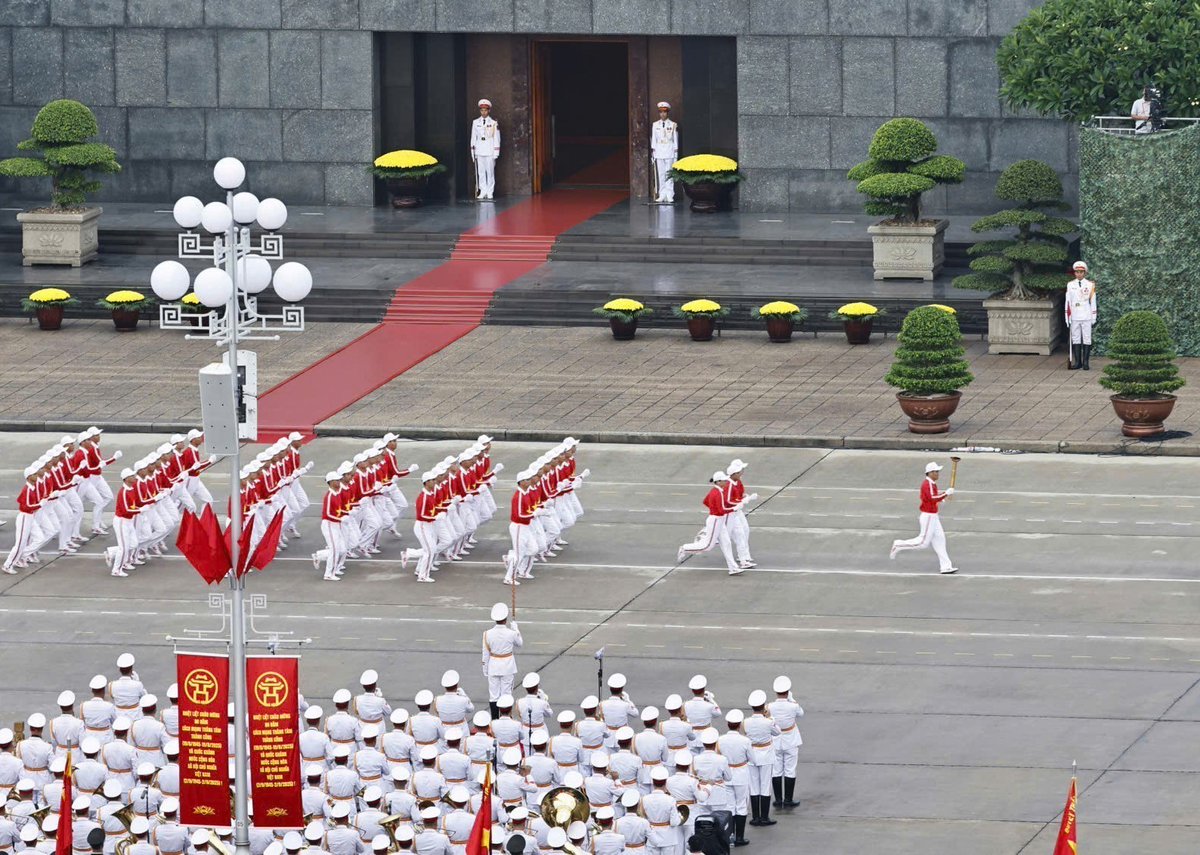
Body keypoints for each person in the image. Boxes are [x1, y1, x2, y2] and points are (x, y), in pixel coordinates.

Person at [889, 461, 957, 574]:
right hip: (929, 516)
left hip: (933, 516)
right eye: (936, 471)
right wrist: (946, 493)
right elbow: (932, 498)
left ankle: (946, 566)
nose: (938, 474)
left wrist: (942, 498)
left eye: (938, 471)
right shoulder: (928, 484)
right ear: (929, 473)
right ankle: (899, 544)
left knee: (940, 539)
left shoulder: (931, 484)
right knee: (923, 543)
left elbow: (931, 498)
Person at [677, 473, 742, 576]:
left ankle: (733, 568)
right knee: (707, 546)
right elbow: (722, 510)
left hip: (718, 519)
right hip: (716, 520)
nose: (726, 482)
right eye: (724, 480)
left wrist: (714, 509)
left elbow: (706, 501)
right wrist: (734, 508)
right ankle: (684, 548)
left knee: (726, 543)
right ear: (719, 482)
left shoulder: (717, 491)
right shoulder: (717, 492)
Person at [1065, 261, 1097, 371]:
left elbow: (1093, 301)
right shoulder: (1070, 285)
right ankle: (1078, 362)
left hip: (1086, 314)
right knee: (1076, 338)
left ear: (1085, 273)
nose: (1079, 274)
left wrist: (1094, 315)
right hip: (1074, 314)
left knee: (1087, 338)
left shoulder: (1090, 285)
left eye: (1081, 272)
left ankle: (1086, 362)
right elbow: (1068, 301)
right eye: (1077, 272)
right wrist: (1067, 315)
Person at [470, 99, 501, 201]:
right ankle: (482, 191)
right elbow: (473, 137)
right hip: (479, 150)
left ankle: (490, 191)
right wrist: (473, 152)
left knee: (490, 172)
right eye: (482, 110)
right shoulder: (475, 122)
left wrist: (496, 152)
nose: (483, 112)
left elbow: (496, 138)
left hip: (489, 151)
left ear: (489, 111)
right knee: (481, 172)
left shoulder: (493, 123)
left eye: (485, 110)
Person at [651, 102, 679, 204]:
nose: (662, 114)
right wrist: (653, 152)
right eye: (661, 112)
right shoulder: (655, 125)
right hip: (659, 152)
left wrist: (676, 154)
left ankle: (670, 194)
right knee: (661, 174)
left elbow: (675, 140)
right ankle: (662, 194)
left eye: (664, 112)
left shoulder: (672, 125)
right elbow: (654, 140)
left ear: (667, 113)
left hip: (669, 151)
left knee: (669, 174)